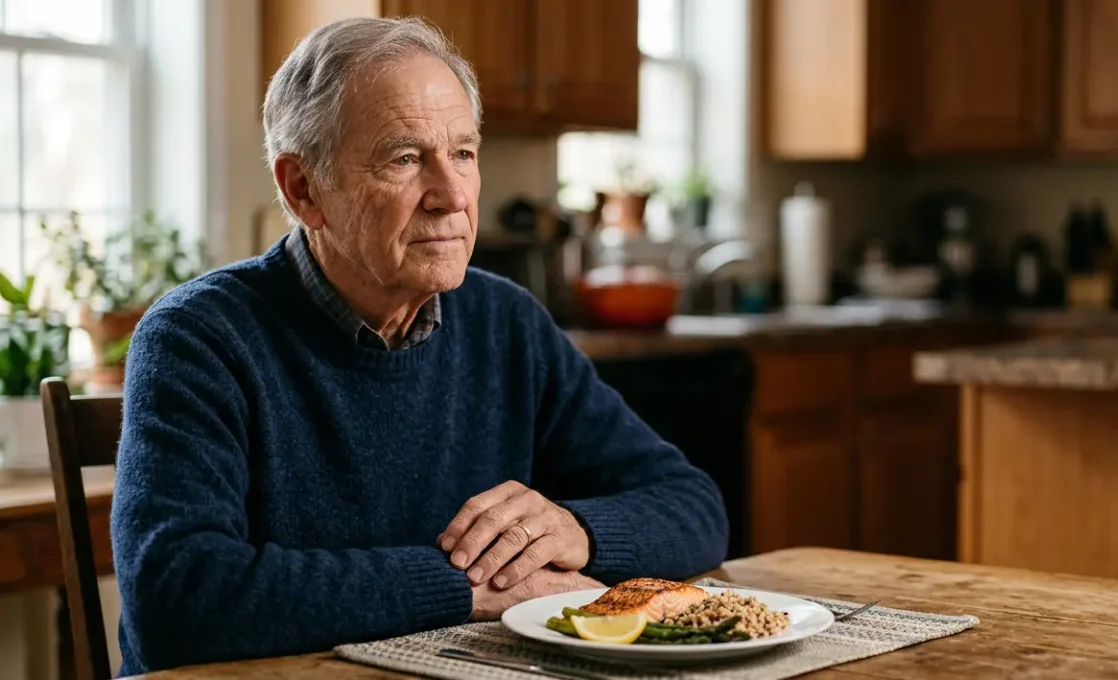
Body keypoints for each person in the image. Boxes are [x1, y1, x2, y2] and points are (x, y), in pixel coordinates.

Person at [109, 16, 729, 675]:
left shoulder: (505, 320)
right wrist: (465, 587)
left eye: (463, 153)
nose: (454, 196)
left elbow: (695, 507)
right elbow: (177, 597)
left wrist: (577, 530)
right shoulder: (198, 336)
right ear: (303, 189)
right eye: (404, 159)